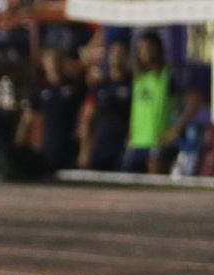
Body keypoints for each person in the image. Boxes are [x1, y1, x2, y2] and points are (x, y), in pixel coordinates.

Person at [15, 47, 86, 171]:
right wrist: (19, 143)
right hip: (47, 145)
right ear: (44, 64)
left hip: (69, 145)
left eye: (57, 60)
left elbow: (84, 114)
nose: (54, 65)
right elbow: (27, 118)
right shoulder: (39, 88)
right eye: (50, 61)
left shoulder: (74, 87)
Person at [123, 32, 179, 174]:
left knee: (155, 188)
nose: (143, 52)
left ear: (157, 48)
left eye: (147, 47)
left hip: (158, 143)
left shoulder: (168, 76)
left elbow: (194, 99)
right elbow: (135, 110)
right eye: (140, 48)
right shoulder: (139, 78)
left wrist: (177, 128)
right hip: (137, 143)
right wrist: (130, 133)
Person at [78, 40, 132, 171]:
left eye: (120, 53)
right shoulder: (99, 86)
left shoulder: (133, 85)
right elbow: (87, 118)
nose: (116, 57)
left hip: (122, 147)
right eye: (113, 53)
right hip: (99, 145)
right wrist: (84, 151)